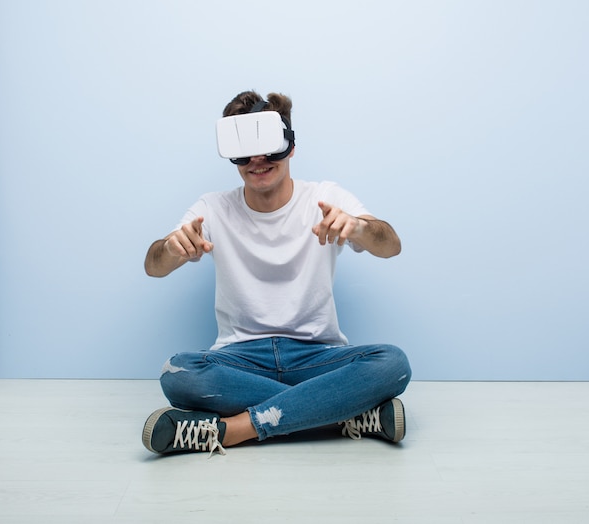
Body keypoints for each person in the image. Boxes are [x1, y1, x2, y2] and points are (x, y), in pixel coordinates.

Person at [142, 90, 411, 457]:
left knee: (392, 364)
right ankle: (344, 414)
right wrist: (171, 248)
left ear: (290, 146)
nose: (257, 160)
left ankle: (231, 429)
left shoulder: (324, 196)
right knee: (179, 372)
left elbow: (390, 244)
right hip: (240, 360)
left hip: (317, 357)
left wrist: (360, 228)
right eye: (245, 151)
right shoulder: (213, 208)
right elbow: (152, 266)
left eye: (269, 148)